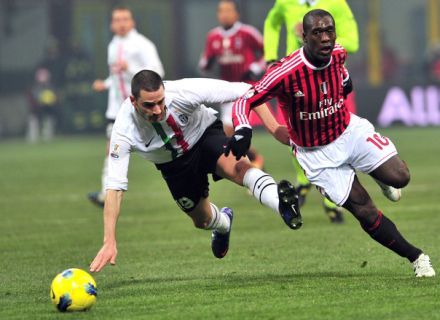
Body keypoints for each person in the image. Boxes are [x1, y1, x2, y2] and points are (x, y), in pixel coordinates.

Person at [225, 9, 435, 277]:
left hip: (349, 131)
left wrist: (343, 86)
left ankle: (380, 175)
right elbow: (246, 99)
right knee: (366, 212)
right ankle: (417, 257)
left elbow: (344, 78)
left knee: (401, 177)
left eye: (329, 31)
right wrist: (243, 129)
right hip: (317, 155)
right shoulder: (286, 72)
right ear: (304, 37)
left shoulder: (338, 53)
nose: (325, 38)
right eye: (317, 33)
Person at [89, 70, 302, 272]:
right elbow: (115, 188)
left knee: (239, 169)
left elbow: (248, 90)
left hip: (204, 136)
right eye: (149, 105)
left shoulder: (183, 91)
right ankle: (223, 224)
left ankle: (280, 202)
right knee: (202, 221)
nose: (157, 110)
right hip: (174, 166)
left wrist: (274, 128)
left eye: (160, 102)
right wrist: (109, 241)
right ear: (133, 101)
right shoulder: (123, 129)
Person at [263, 0, 359, 223]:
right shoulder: (285, 3)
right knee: (293, 133)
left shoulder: (336, 4)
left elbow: (352, 42)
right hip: (292, 82)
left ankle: (331, 200)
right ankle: (303, 179)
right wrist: (270, 56)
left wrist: (315, 37)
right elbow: (271, 23)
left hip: (325, 78)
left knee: (333, 140)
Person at [88, 5, 165, 207]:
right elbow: (116, 76)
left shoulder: (142, 44)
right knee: (112, 149)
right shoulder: (113, 45)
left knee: (163, 146)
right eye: (117, 20)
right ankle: (107, 194)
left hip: (142, 108)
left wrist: (129, 68)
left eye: (125, 19)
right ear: (112, 24)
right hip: (116, 108)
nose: (121, 23)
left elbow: (157, 73)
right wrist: (104, 83)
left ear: (132, 22)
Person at [199, 0, 266, 169]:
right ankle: (256, 163)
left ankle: (250, 166)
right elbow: (203, 64)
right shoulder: (213, 36)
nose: (225, 14)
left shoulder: (247, 33)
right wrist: (208, 62)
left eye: (228, 10)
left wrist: (256, 66)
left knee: (228, 132)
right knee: (230, 135)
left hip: (245, 90)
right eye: (221, 10)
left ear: (236, 14)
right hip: (226, 91)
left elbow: (267, 51)